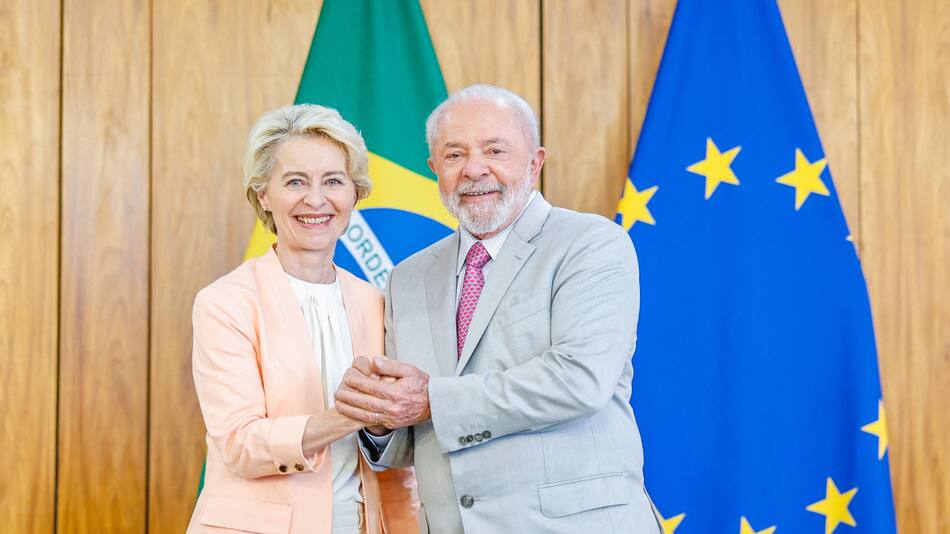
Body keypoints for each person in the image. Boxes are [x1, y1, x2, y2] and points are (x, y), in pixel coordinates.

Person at [334, 85, 662, 533]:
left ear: (535, 162)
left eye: (494, 150)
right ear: (434, 170)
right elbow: (416, 435)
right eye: (454, 155)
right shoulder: (407, 278)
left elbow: (580, 380)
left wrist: (429, 400)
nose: (474, 169)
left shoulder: (590, 244)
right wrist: (379, 418)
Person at [187, 104, 417, 534]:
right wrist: (345, 417)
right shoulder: (225, 303)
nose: (316, 199)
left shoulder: (377, 302)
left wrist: (385, 423)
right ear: (264, 195)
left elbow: (393, 441)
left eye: (333, 181)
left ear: (355, 193)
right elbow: (240, 444)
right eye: (295, 182)